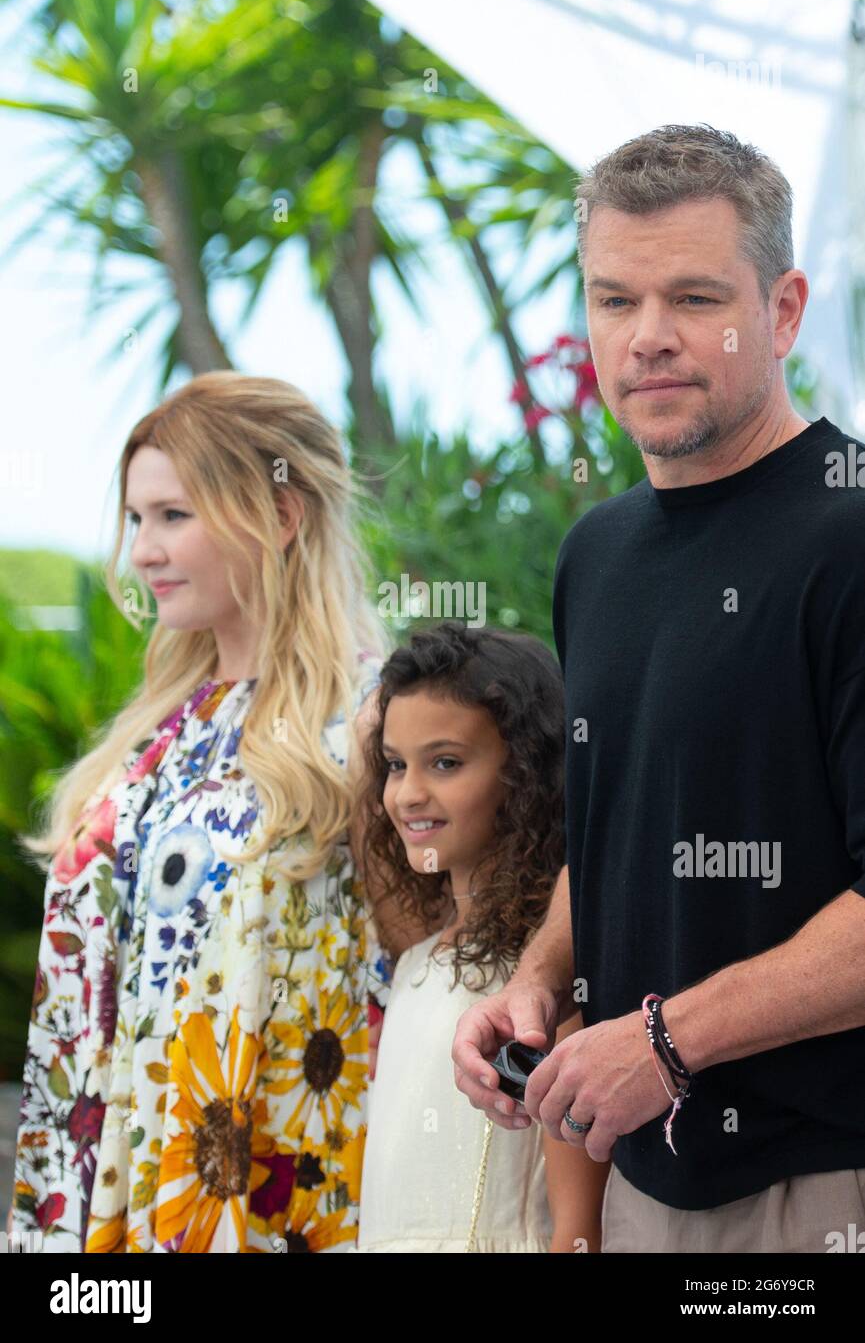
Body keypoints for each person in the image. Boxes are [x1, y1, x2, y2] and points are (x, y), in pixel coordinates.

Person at [452, 123, 865, 1254]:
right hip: (636, 1186)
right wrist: (536, 983)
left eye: (692, 298)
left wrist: (665, 1040)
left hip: (818, 1191)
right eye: (614, 300)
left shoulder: (850, 533)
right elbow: (621, 832)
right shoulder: (599, 553)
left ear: (782, 311)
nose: (648, 339)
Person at [11, 371, 395, 1253]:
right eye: (137, 519)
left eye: (173, 516)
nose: (142, 550)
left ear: (282, 516)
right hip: (106, 1204)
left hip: (282, 1187)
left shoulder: (372, 722)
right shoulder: (155, 731)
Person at [354, 622, 609, 1252]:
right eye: (394, 765)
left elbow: (579, 1231)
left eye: (445, 762)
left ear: (525, 771)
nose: (408, 793)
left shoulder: (543, 989)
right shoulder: (414, 961)